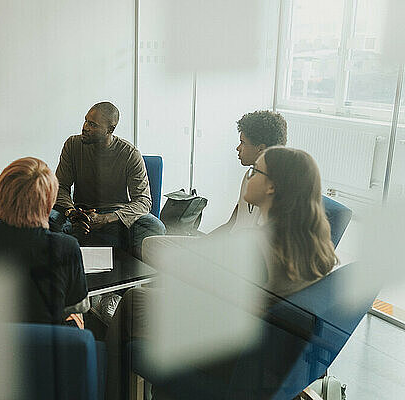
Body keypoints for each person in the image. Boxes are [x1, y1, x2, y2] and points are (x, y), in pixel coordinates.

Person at [106, 147, 338, 400]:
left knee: (132, 303)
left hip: (228, 359)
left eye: (255, 171)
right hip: (264, 358)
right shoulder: (315, 245)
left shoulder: (258, 247)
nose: (248, 176)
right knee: (145, 298)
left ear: (271, 187)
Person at [0, 157, 89, 325]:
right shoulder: (66, 247)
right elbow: (79, 305)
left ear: (0, 195)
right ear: (48, 203)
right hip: (45, 346)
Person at [50, 101, 166, 259]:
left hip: (115, 218)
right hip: (79, 214)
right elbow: (60, 187)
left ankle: (137, 275)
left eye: (93, 125)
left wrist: (106, 218)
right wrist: (72, 213)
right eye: (85, 121)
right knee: (46, 219)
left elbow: (143, 201)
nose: (85, 127)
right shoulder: (72, 145)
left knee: (153, 227)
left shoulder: (130, 154)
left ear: (110, 129)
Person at [213, 110, 287, 235]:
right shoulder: (249, 175)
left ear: (261, 149)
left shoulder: (275, 189)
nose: (238, 148)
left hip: (243, 251)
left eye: (243, 143)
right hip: (233, 245)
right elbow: (232, 224)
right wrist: (199, 243)